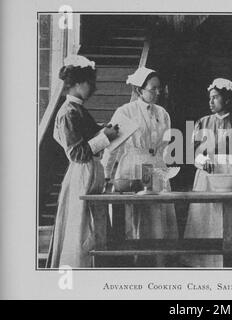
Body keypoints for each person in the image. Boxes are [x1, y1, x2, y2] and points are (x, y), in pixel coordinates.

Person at [101, 67, 178, 266]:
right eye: (153, 89)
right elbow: (112, 148)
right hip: (132, 167)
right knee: (135, 219)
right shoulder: (125, 112)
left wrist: (165, 169)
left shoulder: (163, 113)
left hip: (155, 167)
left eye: (159, 89)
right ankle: (136, 264)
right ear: (139, 89)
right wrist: (105, 175)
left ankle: (159, 263)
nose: (157, 93)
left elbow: (165, 146)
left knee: (157, 219)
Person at [50, 55, 119, 268]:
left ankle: (94, 265)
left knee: (92, 222)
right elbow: (77, 153)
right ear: (78, 83)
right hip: (81, 173)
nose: (93, 88)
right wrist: (105, 136)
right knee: (81, 225)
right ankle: (80, 267)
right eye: (90, 83)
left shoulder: (78, 109)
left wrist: (103, 130)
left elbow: (88, 136)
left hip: (90, 172)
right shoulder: (68, 112)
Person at [182, 78, 232, 267]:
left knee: (226, 216)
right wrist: (203, 161)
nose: (210, 102)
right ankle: (202, 261)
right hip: (207, 174)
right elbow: (192, 153)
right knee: (205, 216)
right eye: (209, 98)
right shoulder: (202, 122)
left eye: (215, 98)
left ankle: (227, 262)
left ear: (227, 99)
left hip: (230, 172)